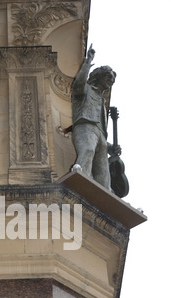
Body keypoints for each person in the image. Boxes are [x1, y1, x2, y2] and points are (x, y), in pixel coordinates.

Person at [71, 44, 120, 190]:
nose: (111, 80)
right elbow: (78, 84)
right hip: (86, 127)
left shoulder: (102, 100)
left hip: (100, 134)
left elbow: (101, 125)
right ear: (99, 77)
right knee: (88, 150)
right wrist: (87, 64)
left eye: (112, 79)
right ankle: (81, 177)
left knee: (103, 166)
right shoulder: (86, 90)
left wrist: (112, 147)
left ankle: (105, 191)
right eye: (108, 77)